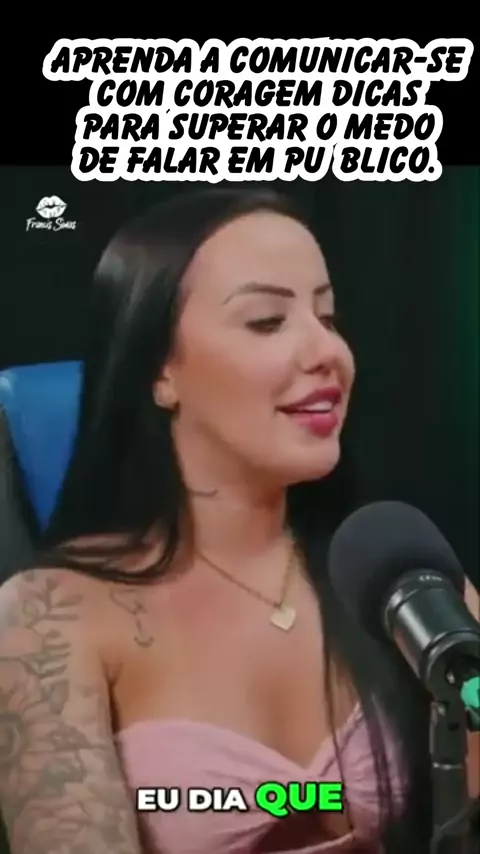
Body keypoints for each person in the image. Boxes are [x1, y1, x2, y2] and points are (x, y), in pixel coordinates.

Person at [0, 187, 477, 854]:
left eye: (328, 317)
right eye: (266, 321)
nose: (327, 352)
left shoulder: (398, 578)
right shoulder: (49, 616)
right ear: (159, 370)